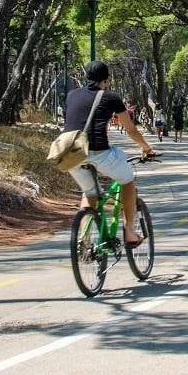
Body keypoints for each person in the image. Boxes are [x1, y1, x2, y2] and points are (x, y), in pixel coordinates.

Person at [63, 61, 157, 247]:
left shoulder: (72, 95)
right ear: (106, 80)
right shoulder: (111, 97)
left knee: (90, 192)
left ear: (87, 77)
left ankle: (85, 241)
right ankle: (130, 232)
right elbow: (130, 130)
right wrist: (146, 148)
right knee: (127, 180)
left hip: (70, 154)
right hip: (99, 152)